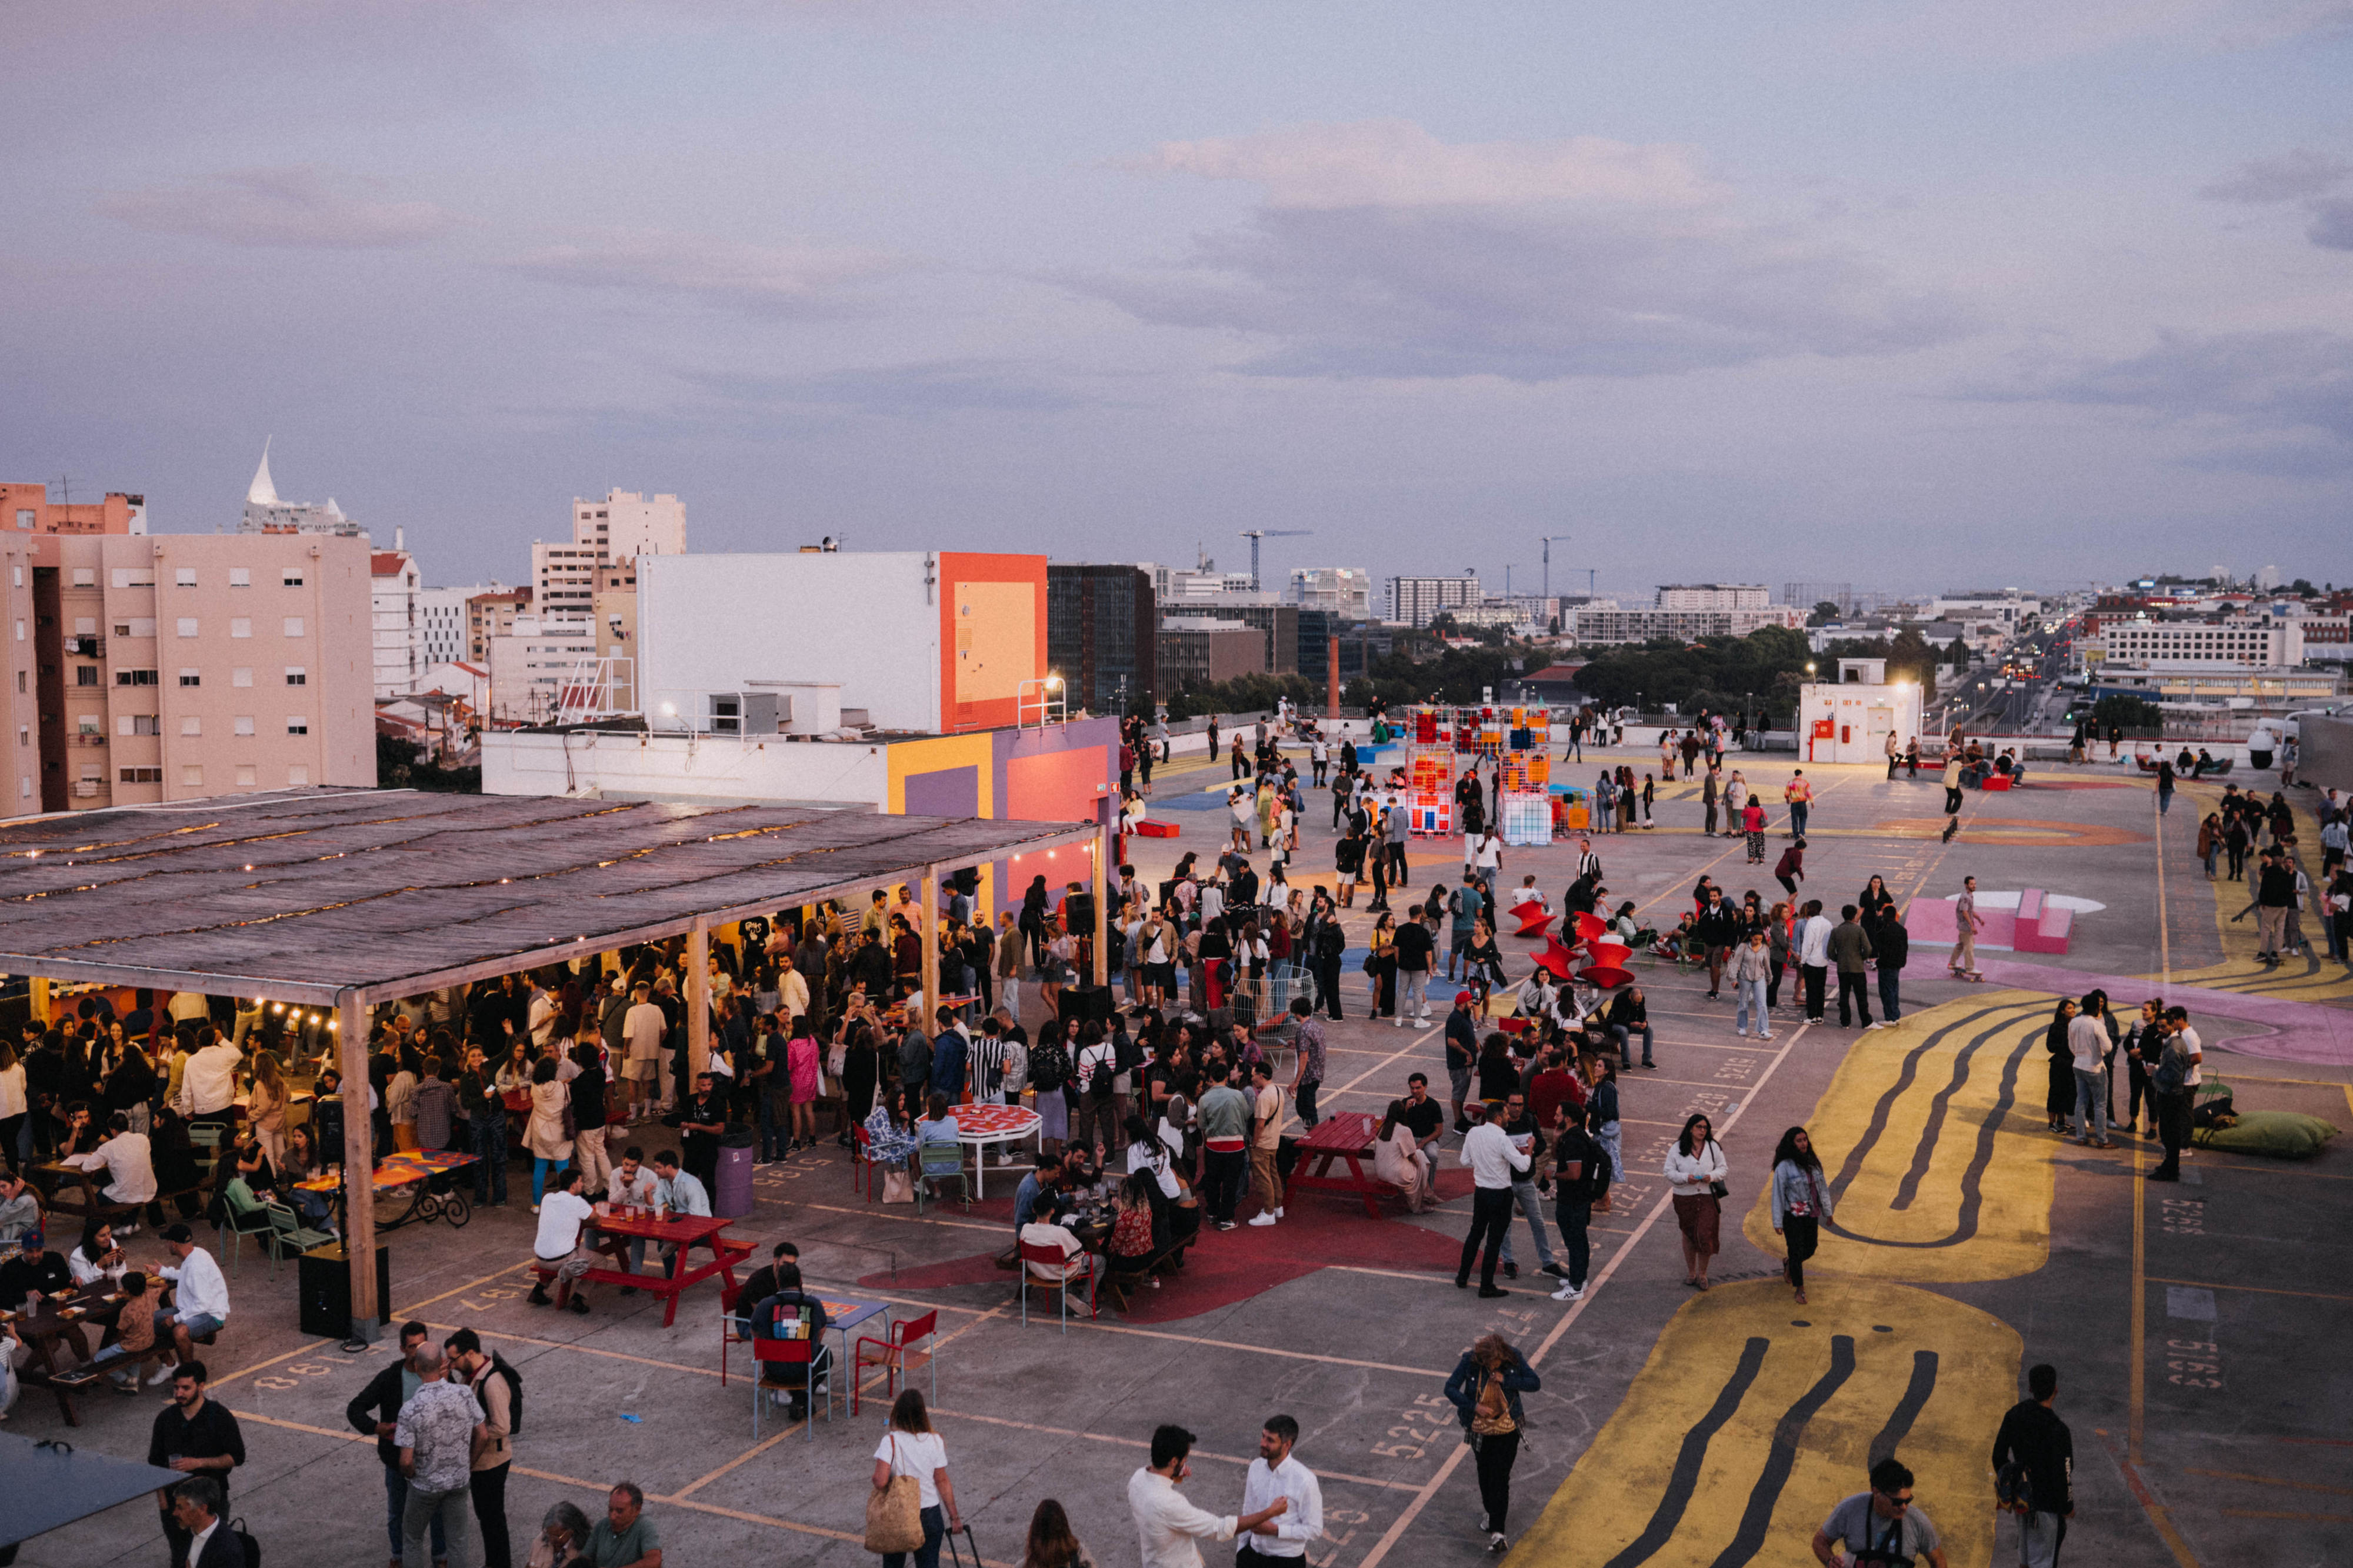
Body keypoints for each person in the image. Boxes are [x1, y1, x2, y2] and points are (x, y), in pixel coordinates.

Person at [348, 1320, 451, 1568]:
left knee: (438, 1513)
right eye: (413, 1346)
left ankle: (441, 1557)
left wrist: (448, 1382)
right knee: (398, 1513)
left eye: (423, 1345)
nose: (418, 1352)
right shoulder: (390, 1378)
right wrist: (376, 1427)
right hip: (398, 1460)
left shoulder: (440, 1375)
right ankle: (399, 1556)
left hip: (432, 1460)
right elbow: (355, 1408)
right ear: (402, 1349)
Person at [1129, 1423, 1286, 1568]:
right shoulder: (1169, 1503)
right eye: (1185, 1459)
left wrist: (1176, 1475)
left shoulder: (1137, 1479)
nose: (1186, 1463)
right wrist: (1269, 1513)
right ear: (1173, 1461)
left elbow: (1158, 1487)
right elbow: (1219, 1529)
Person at [1444, 1335, 1539, 1552]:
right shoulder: (1470, 1360)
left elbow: (1535, 1383)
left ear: (1501, 1356)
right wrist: (1474, 1406)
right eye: (1485, 1363)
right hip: (1480, 1429)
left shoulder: (1514, 1358)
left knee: (1500, 1477)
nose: (1490, 1366)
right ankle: (1491, 1512)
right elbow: (1449, 1388)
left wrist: (1507, 1380)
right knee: (1485, 1475)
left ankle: (1498, 1532)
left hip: (1508, 1429)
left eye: (1493, 1363)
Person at [395, 1340, 482, 1568]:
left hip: (425, 1485)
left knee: (413, 1539)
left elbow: (405, 1461)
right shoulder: (464, 1394)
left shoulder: (411, 1409)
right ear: (443, 1363)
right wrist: (467, 1465)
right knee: (458, 1541)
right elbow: (483, 1435)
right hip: (458, 1482)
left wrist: (412, 1474)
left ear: (416, 1367)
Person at [151, 1362, 246, 1566]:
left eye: (186, 1388)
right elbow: (154, 1463)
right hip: (175, 1504)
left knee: (210, 1555)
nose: (179, 1393)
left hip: (210, 1503)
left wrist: (198, 1463)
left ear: (201, 1386)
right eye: (176, 1387)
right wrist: (164, 1504)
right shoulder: (165, 1419)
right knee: (179, 1554)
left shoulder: (219, 1417)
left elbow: (236, 1457)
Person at [1991, 1362, 2074, 1568]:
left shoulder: (2014, 1415)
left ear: (2030, 1388)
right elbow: (2063, 1473)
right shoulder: (2058, 1429)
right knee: (2042, 1562)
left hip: (2023, 1501)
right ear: (2056, 1390)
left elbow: (1998, 1456)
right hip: (2047, 1506)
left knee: (2025, 1560)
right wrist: (2067, 1506)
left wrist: (2015, 1481)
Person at [446, 1329, 518, 1568]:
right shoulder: (475, 1375)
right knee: (488, 1517)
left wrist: (477, 1431)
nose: (452, 1365)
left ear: (470, 1353)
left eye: (454, 1359)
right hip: (484, 1460)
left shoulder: (491, 1382)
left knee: (492, 1518)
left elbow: (502, 1425)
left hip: (491, 1461)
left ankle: (499, 1564)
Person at [874, 1390, 961, 1568]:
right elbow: (942, 1481)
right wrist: (954, 1517)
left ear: (897, 1412)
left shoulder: (890, 1441)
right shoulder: (935, 1441)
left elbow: (880, 1481)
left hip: (898, 1514)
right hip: (929, 1514)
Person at [1812, 1457, 1947, 1568]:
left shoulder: (1918, 1521)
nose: (1904, 1507)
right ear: (1876, 1492)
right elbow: (1820, 1540)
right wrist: (1830, 1561)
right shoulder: (1850, 1509)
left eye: (1908, 1500)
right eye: (1897, 1502)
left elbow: (1938, 1561)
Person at [1455, 1103, 1528, 1298]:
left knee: (1475, 1234)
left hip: (1481, 1192)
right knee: (1494, 1241)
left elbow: (1465, 1160)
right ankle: (1486, 1285)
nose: (1508, 1117)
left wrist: (1482, 1164)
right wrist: (1529, 1153)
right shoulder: (1502, 1139)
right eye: (1505, 1114)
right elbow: (1522, 1166)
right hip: (1500, 1194)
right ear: (1498, 1118)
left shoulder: (1473, 1133)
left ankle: (1463, 1276)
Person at [1237, 1413, 1322, 1568]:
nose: (1263, 1443)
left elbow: (1314, 1530)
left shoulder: (1305, 1480)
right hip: (1252, 1557)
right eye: (1263, 1436)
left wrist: (1276, 1531)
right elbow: (1248, 1510)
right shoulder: (1255, 1467)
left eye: (1270, 1440)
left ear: (1287, 1445)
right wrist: (1241, 1551)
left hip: (1286, 1561)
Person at [1769, 1127, 1832, 1305]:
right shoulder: (1784, 1168)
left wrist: (1828, 1212)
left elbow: (1823, 1189)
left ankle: (1790, 1264)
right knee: (1796, 1250)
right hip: (1793, 1216)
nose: (1804, 1144)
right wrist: (1777, 1221)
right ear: (1792, 1144)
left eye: (1805, 1140)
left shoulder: (1814, 1163)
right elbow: (1778, 1195)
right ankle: (1800, 1288)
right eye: (1799, 1141)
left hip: (1811, 1213)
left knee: (1811, 1247)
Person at [1665, 1113, 1727, 1290]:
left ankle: (1703, 1274)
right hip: (1685, 1198)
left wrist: (1711, 1176)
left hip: (1708, 1195)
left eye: (1705, 1128)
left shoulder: (1713, 1146)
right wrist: (1686, 1178)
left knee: (1705, 1234)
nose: (1702, 1130)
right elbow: (1668, 1172)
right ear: (1691, 1128)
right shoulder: (1677, 1148)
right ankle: (1692, 1272)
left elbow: (1723, 1169)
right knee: (1689, 1233)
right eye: (1699, 1127)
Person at [155, 1223, 231, 1370]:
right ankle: (169, 1366)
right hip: (193, 1309)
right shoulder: (196, 1253)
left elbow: (203, 1304)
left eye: (168, 1242)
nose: (167, 1245)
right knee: (146, 1321)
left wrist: (176, 1319)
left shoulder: (196, 1266)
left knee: (180, 1332)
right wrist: (163, 1271)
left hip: (210, 1314)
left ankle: (188, 1373)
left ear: (174, 1244)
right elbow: (186, 1275)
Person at [1548, 1102, 1602, 1302]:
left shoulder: (1574, 1141)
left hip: (1574, 1199)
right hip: (1577, 1198)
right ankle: (1580, 1278)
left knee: (1575, 1242)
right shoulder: (1573, 1136)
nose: (1555, 1118)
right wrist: (1555, 1139)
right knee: (1578, 1240)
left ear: (1568, 1118)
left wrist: (1553, 1174)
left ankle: (1577, 1286)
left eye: (1558, 1115)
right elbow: (1558, 1155)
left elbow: (1574, 1173)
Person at [526, 1166, 595, 1315]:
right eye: (581, 1181)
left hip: (540, 1258)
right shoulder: (577, 1202)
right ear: (573, 1185)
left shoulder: (547, 1198)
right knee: (600, 1261)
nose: (582, 1184)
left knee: (558, 1249)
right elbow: (597, 1220)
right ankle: (578, 1298)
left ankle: (539, 1289)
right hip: (561, 1261)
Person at [2147, 1007, 2201, 1182]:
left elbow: (2173, 1076)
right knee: (2170, 1133)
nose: (2160, 1030)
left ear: (2172, 1025)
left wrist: (2154, 1071)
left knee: (2169, 1134)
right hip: (2172, 1093)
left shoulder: (2174, 1047)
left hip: (2170, 1095)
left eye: (2163, 1027)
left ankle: (2171, 1169)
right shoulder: (2175, 1042)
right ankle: (2170, 1166)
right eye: (2158, 1027)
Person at [1244, 1061, 1289, 1226]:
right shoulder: (1278, 1090)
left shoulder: (1263, 1097)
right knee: (1273, 1174)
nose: (1252, 1079)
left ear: (1261, 1076)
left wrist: (1254, 1143)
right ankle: (1277, 1207)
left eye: (1253, 1076)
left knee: (1262, 1178)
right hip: (1274, 1141)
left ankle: (1269, 1212)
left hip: (1262, 1143)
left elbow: (1260, 1124)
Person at [2067, 993, 2114, 1148]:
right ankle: (2102, 1139)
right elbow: (2108, 1047)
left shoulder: (2074, 1022)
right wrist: (2098, 1053)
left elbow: (2071, 1046)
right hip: (2095, 1067)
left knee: (2081, 1101)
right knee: (2100, 1105)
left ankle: (2081, 1137)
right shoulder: (2096, 1024)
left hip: (2078, 1065)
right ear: (2096, 1008)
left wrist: (2080, 1055)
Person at [1374, 1098, 1437, 1213]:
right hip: (1395, 1174)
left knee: (1419, 1157)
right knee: (1421, 1158)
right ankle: (1419, 1202)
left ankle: (1427, 1193)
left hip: (1381, 1172)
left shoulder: (1383, 1127)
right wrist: (1420, 1169)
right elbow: (1412, 1155)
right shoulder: (1404, 1130)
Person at [170, 1476, 243, 1568]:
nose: (175, 1513)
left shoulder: (228, 1550)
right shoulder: (185, 1533)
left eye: (180, 1508)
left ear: (202, 1509)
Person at [585, 1483, 662, 1568]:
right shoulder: (602, 1526)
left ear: (637, 1510)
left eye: (619, 1511)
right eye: (611, 1510)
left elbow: (654, 1561)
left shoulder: (644, 1526)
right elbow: (584, 1558)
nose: (613, 1517)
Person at [1828, 905, 1876, 1029]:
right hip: (1857, 968)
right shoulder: (1859, 930)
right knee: (1861, 996)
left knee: (1844, 995)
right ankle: (1866, 1021)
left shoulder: (1836, 931)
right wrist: (1862, 957)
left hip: (1843, 968)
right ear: (1855, 916)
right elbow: (1868, 948)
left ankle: (1845, 1021)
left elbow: (1830, 951)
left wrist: (1838, 959)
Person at [527, 1501, 594, 1568]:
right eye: (549, 1534)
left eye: (557, 1536)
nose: (551, 1539)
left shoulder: (587, 1550)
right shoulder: (540, 1541)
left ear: (572, 1531)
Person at [1797, 901, 1833, 1022]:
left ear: (1815, 909)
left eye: (1810, 908)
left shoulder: (1811, 924)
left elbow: (1808, 944)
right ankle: (1819, 1016)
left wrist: (1803, 959)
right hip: (1823, 961)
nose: (1808, 909)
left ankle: (1811, 1016)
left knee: (1811, 990)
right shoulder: (1828, 923)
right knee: (1820, 990)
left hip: (1811, 961)